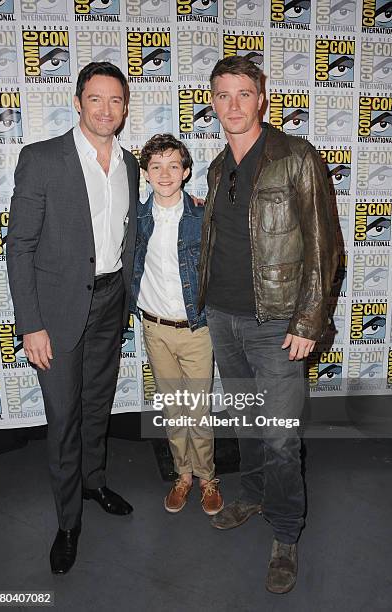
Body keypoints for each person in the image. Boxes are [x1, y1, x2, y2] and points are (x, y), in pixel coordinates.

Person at [197, 56, 338, 594]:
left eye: (243, 93)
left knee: (281, 437)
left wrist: (307, 320)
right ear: (212, 101)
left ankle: (285, 533)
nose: (233, 104)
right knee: (248, 422)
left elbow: (325, 246)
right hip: (224, 317)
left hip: (278, 323)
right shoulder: (215, 168)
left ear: (262, 98)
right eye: (222, 94)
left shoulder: (295, 156)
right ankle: (252, 496)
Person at [6, 62, 139, 575]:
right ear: (79, 101)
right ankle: (67, 522)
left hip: (110, 302)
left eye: (116, 101)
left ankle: (94, 481)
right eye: (96, 99)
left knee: (96, 405)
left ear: (125, 108)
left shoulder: (129, 164)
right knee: (63, 418)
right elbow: (18, 247)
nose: (106, 109)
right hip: (56, 313)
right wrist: (30, 324)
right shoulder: (41, 159)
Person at [130, 133, 223, 516]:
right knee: (172, 408)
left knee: (198, 409)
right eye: (156, 166)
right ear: (146, 173)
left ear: (186, 172)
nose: (164, 173)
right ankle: (182, 476)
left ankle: (207, 477)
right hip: (154, 329)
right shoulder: (134, 218)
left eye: (173, 165)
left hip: (196, 329)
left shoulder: (203, 216)